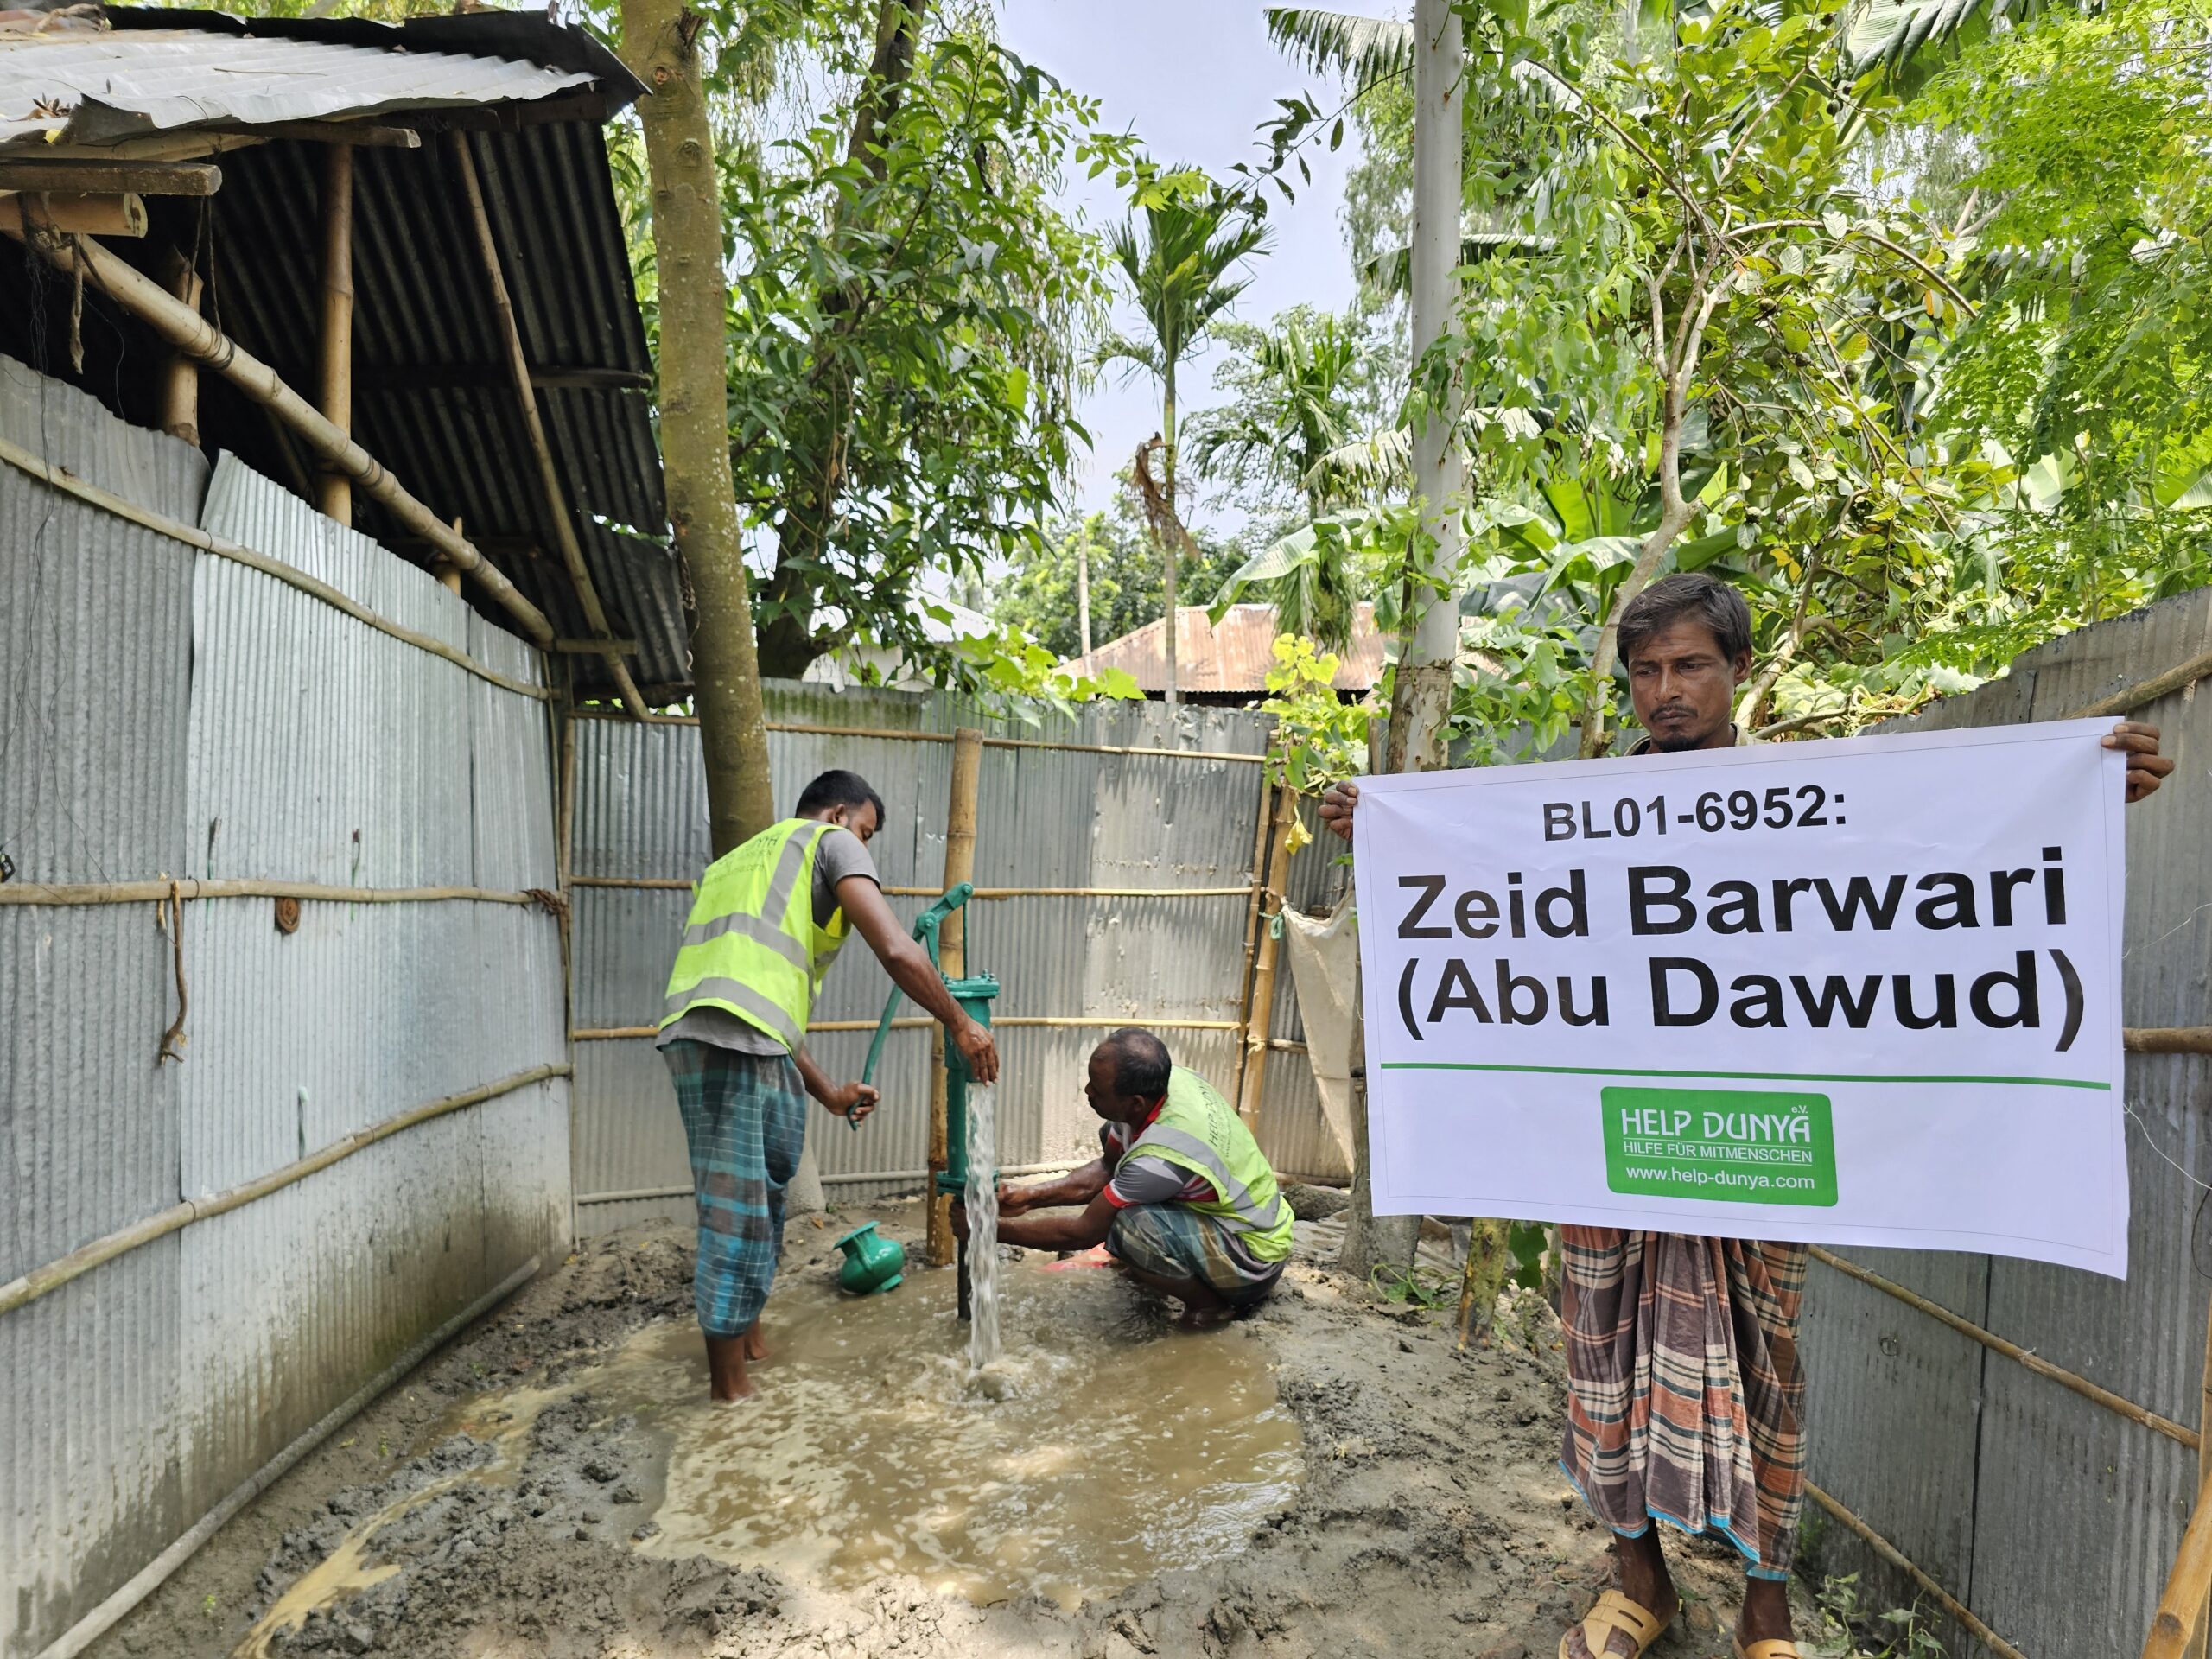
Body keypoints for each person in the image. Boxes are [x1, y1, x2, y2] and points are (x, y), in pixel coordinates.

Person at [1319, 572, 2172, 1659]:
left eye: (1689, 666)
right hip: (1603, 1145)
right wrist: (1386, 830)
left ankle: (1766, 1609)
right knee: (1600, 1356)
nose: (1664, 691)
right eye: (1644, 671)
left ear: (1738, 671)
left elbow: (1929, 881)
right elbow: (1494, 901)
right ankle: (1639, 1580)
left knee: (1768, 1366)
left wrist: (2080, 800)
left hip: (1754, 1143)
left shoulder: (1807, 801)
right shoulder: (1570, 815)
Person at [659, 768, 1001, 1401]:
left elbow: (757, 997)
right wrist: (960, 1023)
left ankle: (750, 1344)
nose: (864, 846)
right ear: (840, 815)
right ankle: (729, 1394)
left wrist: (828, 1093)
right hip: (732, 1039)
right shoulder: (829, 842)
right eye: (866, 832)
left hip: (719, 1033)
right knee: (736, 1212)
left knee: (760, 1199)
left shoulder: (740, 862)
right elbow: (896, 949)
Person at [960, 1028, 1295, 1329]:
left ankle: (1208, 1307)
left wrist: (987, 1230)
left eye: (1097, 1089)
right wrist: (1028, 1196)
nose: (1088, 1091)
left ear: (1135, 1102)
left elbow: (1083, 1232)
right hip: (1239, 1225)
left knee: (1129, 1225)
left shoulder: (1160, 1158)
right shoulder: (1165, 1083)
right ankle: (1152, 1267)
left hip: (1253, 1262)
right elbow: (1108, 1169)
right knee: (1113, 1133)